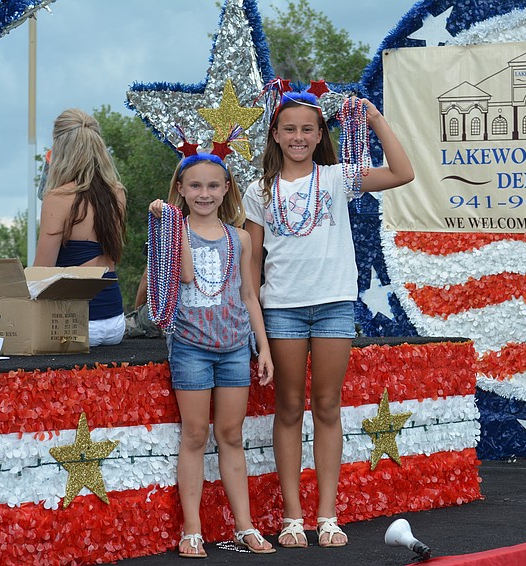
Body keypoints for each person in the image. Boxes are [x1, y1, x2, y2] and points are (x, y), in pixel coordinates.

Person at [242, 91, 414, 548]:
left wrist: (375, 116)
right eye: (289, 129)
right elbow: (251, 263)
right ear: (275, 136)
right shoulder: (259, 191)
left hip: (334, 303)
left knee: (327, 406)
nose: (298, 137)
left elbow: (403, 172)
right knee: (289, 407)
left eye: (307, 129)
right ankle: (293, 518)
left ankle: (328, 516)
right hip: (282, 308)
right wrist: (257, 330)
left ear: (320, 136)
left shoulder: (338, 177)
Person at [148, 153, 275, 558]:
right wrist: (167, 220)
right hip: (191, 348)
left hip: (235, 347)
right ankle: (192, 529)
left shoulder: (241, 238)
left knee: (231, 435)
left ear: (226, 190)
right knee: (195, 434)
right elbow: (184, 275)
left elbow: (249, 295)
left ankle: (245, 526)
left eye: (213, 186)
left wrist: (263, 347)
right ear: (181, 190)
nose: (205, 194)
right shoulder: (174, 231)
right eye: (196, 186)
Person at [33, 108, 127, 346]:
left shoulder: (58, 197)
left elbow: (41, 273)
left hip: (80, 322)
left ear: (60, 150)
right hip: (115, 319)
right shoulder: (117, 192)